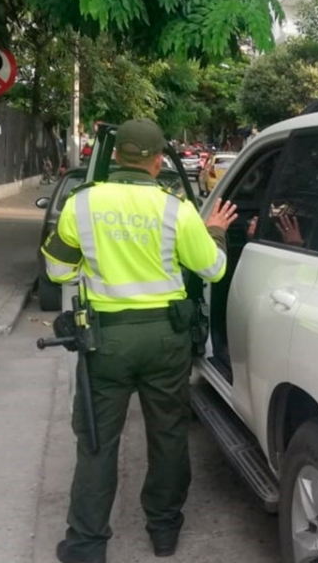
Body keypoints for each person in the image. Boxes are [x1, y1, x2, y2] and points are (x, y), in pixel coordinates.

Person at [42, 119, 238, 563]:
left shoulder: (82, 204)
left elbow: (58, 272)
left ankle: (87, 546)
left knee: (96, 441)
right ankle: (164, 532)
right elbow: (212, 269)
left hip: (105, 342)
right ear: (156, 161)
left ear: (115, 158)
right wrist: (215, 230)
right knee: (167, 434)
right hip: (164, 339)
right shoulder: (176, 209)